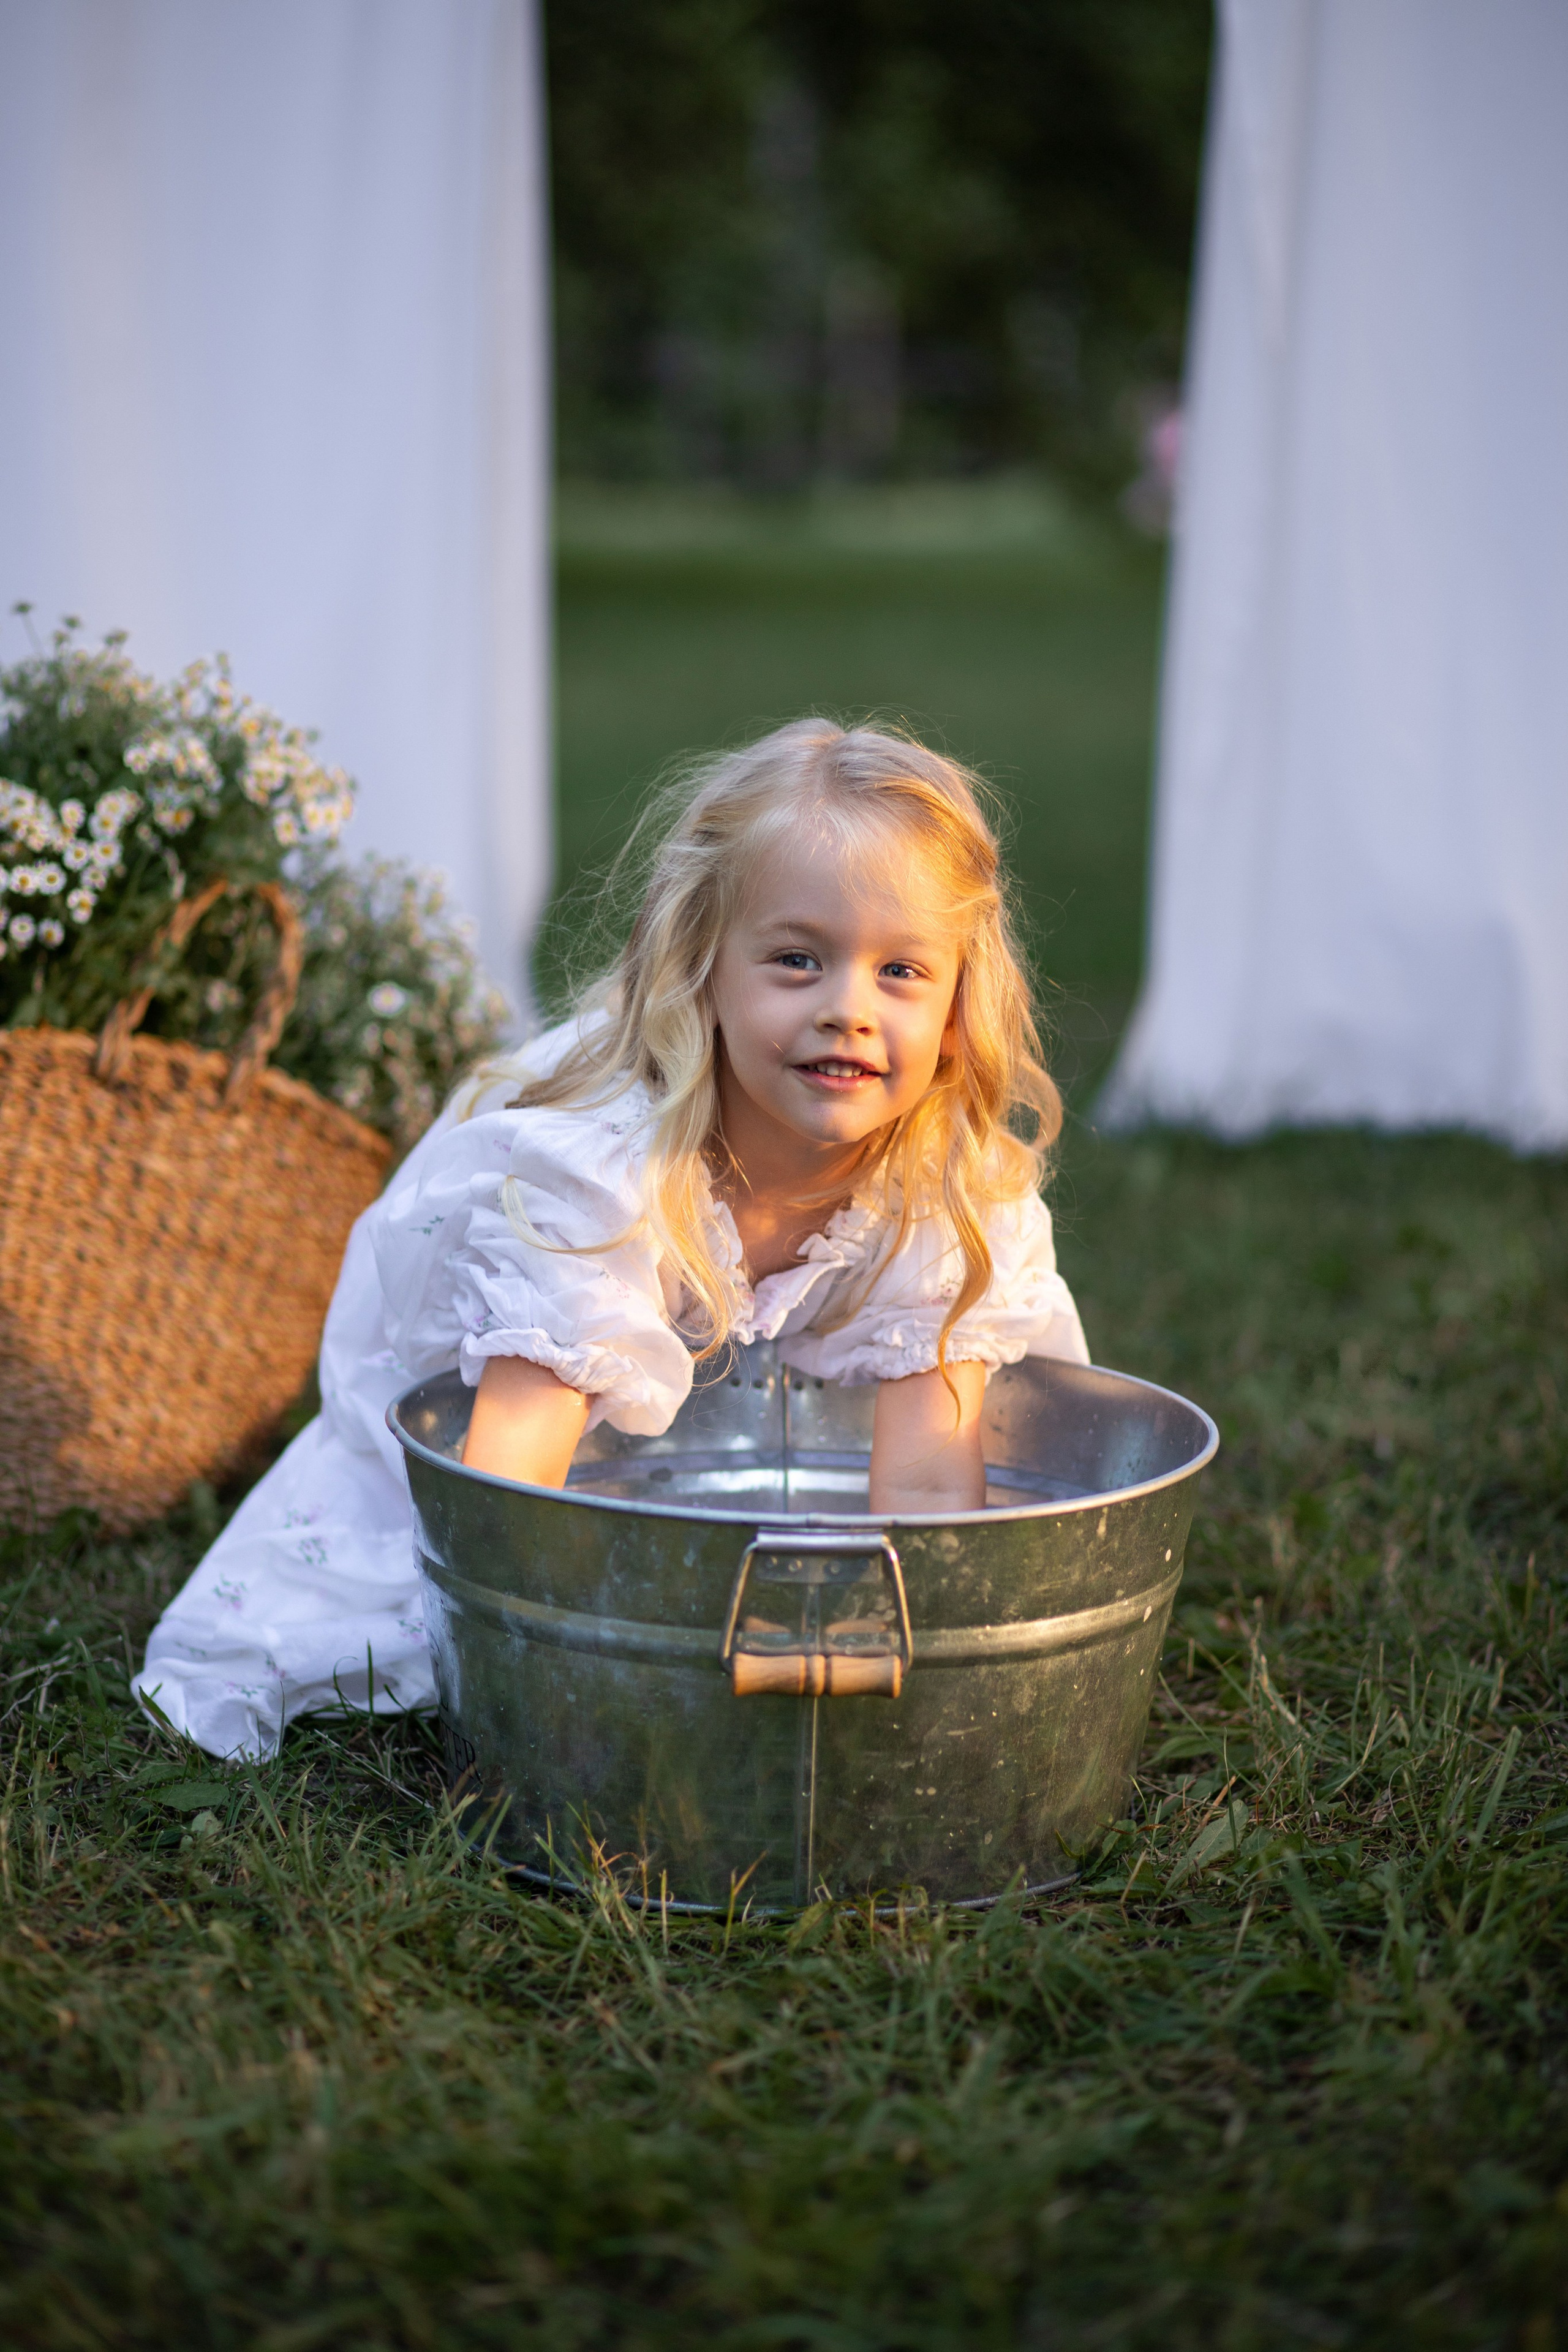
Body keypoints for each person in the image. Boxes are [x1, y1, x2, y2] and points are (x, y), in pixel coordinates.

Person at [134, 720, 1089, 1758]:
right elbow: (505, 1482)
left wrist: (919, 1678)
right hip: (498, 1374)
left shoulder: (947, 1183)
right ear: (703, 970)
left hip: (690, 1320)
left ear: (958, 1002)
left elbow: (923, 1488)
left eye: (901, 972)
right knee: (408, 1603)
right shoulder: (601, 1173)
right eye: (797, 960)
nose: (847, 1011)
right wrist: (549, 1683)